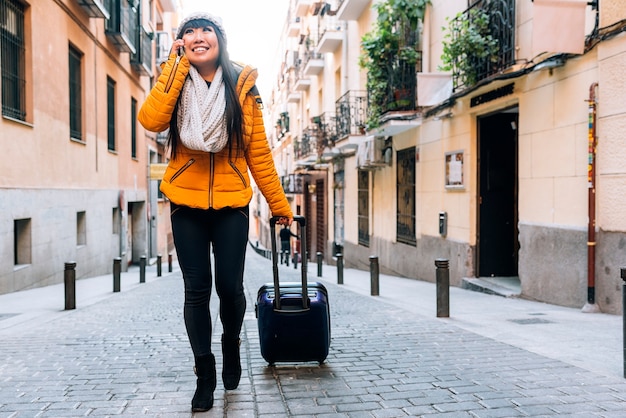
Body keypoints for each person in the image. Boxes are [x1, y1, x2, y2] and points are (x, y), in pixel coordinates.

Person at [137, 12, 293, 412]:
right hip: (185, 202)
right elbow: (150, 120)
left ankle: (231, 346)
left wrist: (278, 205)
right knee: (196, 290)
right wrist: (173, 67)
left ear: (220, 40)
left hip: (232, 205)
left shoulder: (243, 87)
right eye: (189, 32)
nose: (197, 36)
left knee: (230, 287)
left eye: (206, 29)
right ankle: (204, 373)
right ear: (181, 43)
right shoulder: (173, 80)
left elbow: (259, 154)